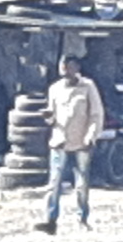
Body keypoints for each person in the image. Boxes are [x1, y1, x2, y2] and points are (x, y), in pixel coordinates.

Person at [40, 56, 110, 232]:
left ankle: (82, 219)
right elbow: (52, 117)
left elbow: (96, 114)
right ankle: (50, 220)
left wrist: (91, 137)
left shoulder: (88, 87)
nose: (65, 70)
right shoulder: (54, 89)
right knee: (54, 183)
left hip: (81, 142)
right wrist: (48, 117)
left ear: (76, 67)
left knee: (81, 183)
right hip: (60, 141)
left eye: (68, 66)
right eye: (62, 66)